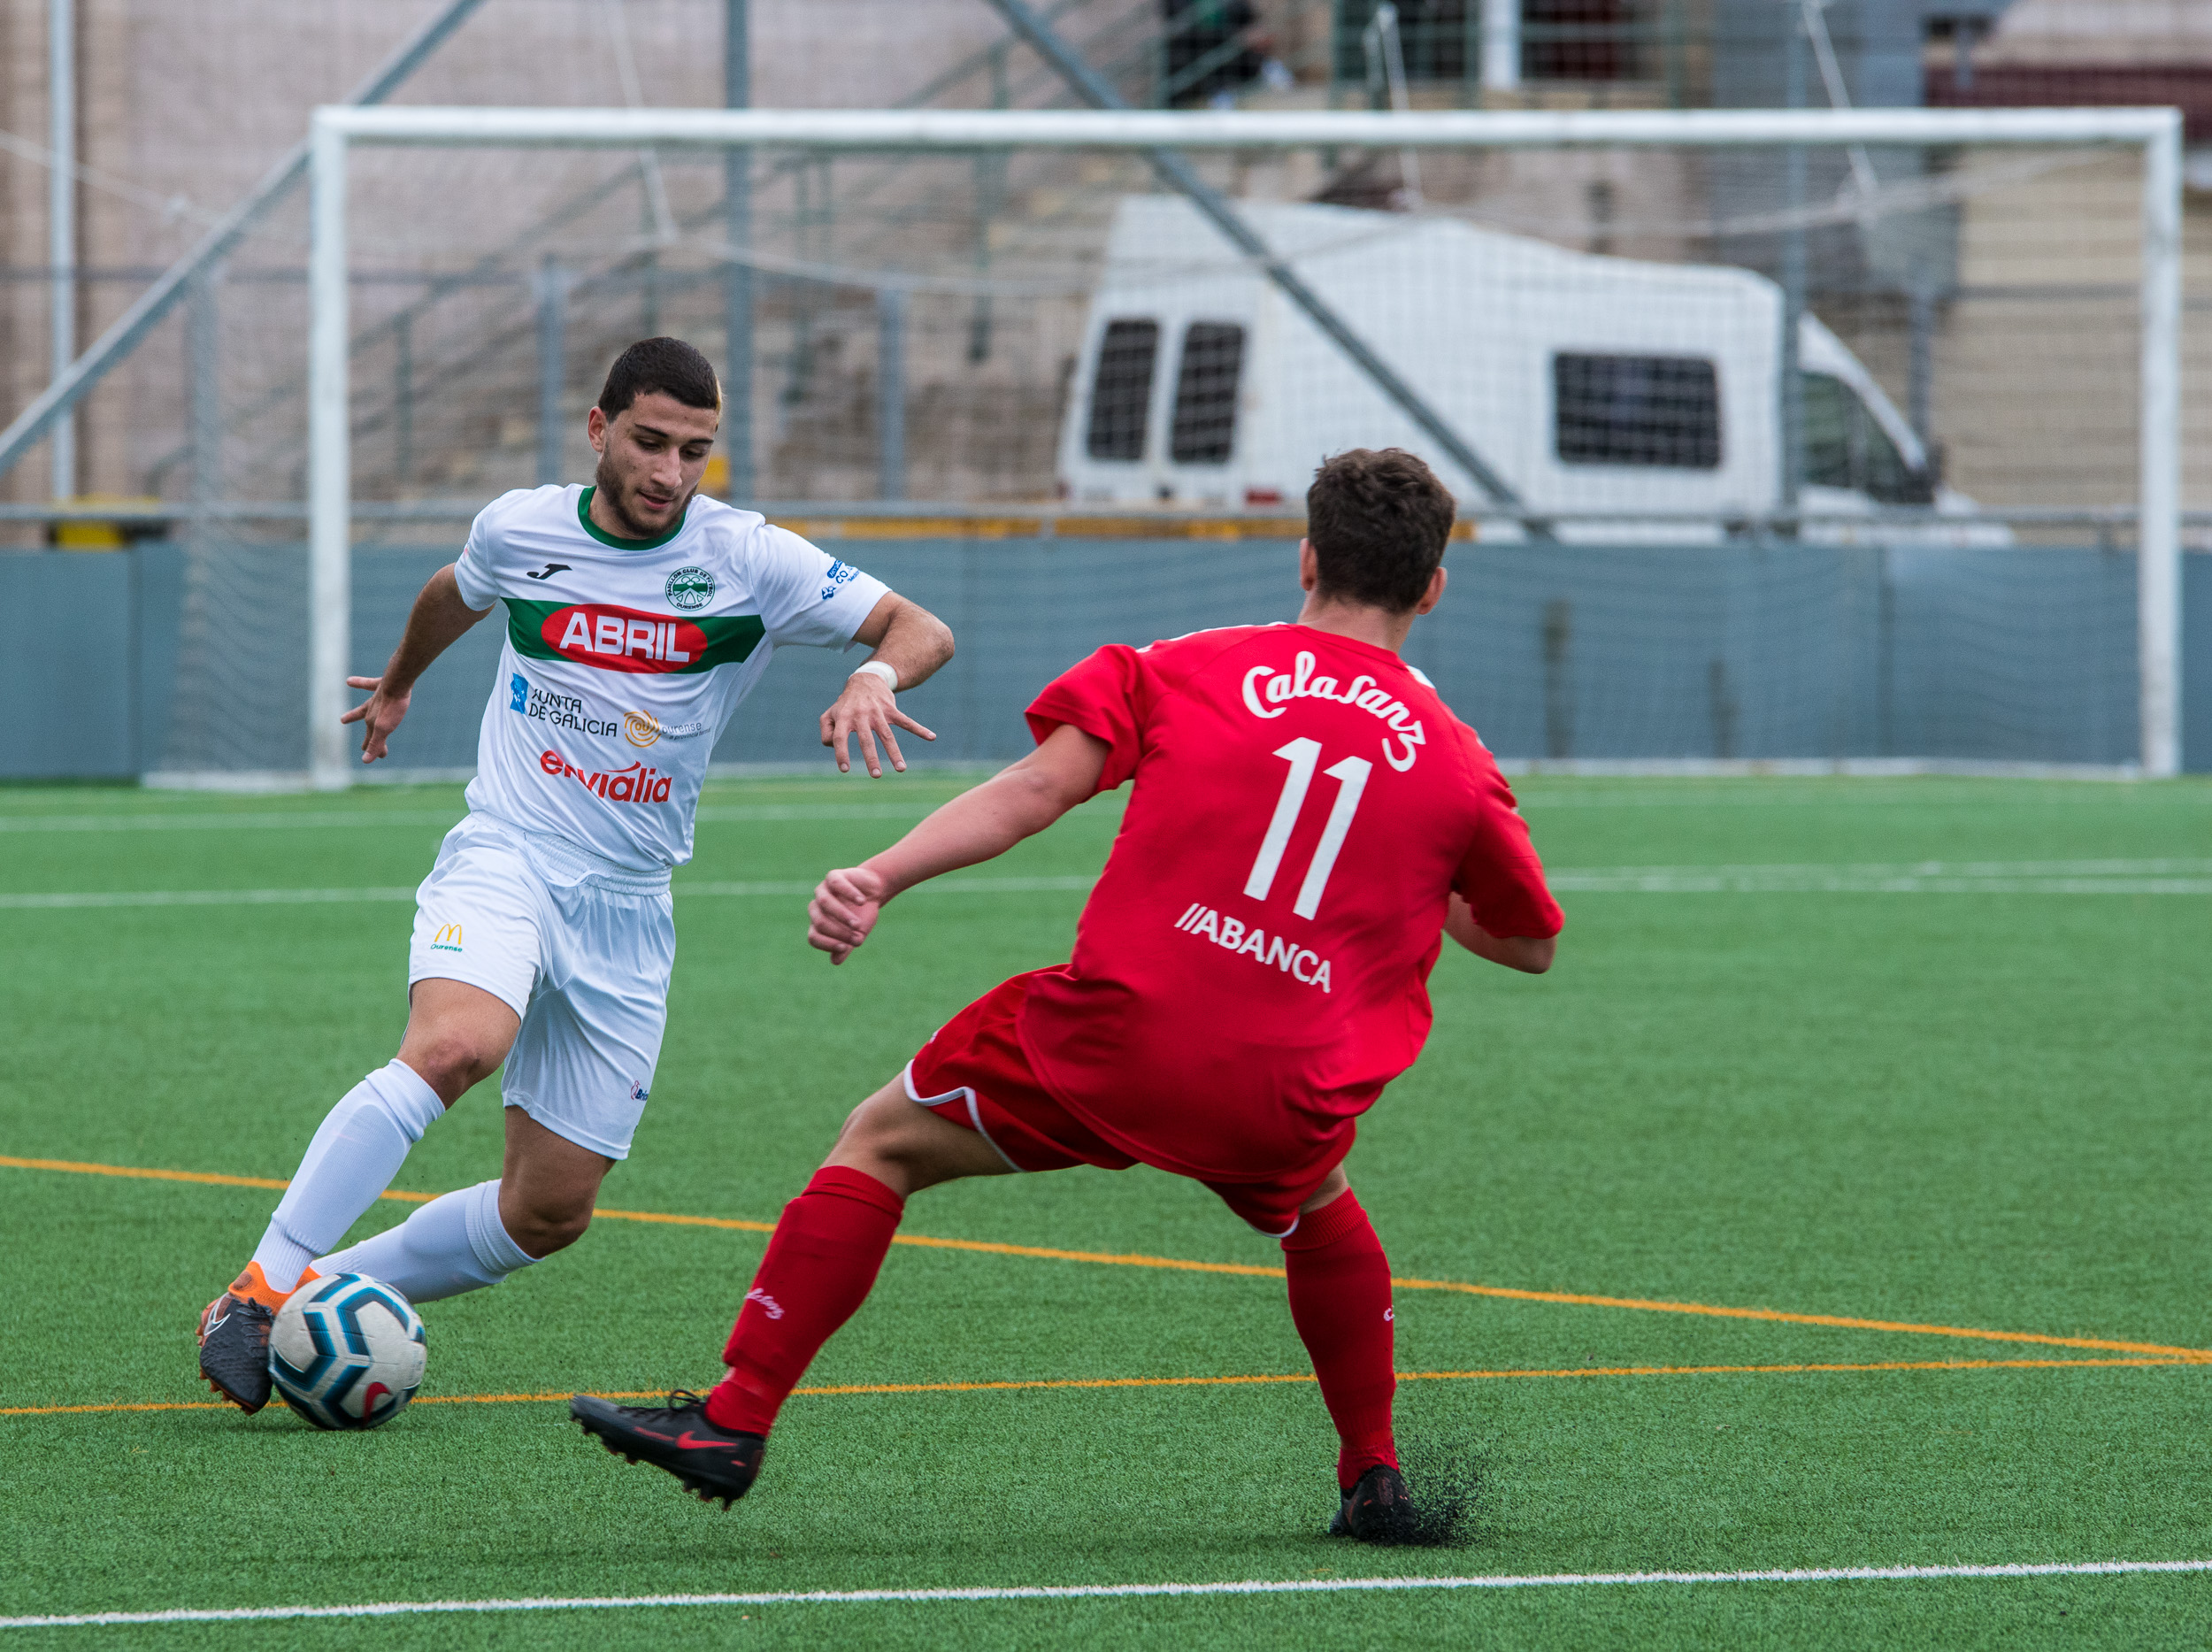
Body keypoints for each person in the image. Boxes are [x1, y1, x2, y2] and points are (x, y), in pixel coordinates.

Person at [571, 447, 1561, 1541]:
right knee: (1317, 1200)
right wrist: (1415, 883)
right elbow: (1525, 945)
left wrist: (881, 875)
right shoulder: (1457, 762)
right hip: (1286, 1080)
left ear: (1306, 558)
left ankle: (736, 1415)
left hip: (1119, 1036)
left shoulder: (1193, 664)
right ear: (1433, 586)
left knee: (879, 1144)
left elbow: (1038, 788)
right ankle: (1373, 1474)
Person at [196, 337, 956, 1414]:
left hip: (631, 903)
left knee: (546, 1213)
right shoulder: (521, 527)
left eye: (695, 451)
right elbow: (455, 592)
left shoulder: (750, 558)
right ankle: (259, 1290)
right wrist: (400, 682)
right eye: (649, 442)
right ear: (599, 430)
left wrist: (876, 670)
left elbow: (918, 626)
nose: (669, 473)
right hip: (507, 851)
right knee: (458, 1043)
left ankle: (319, 1289)